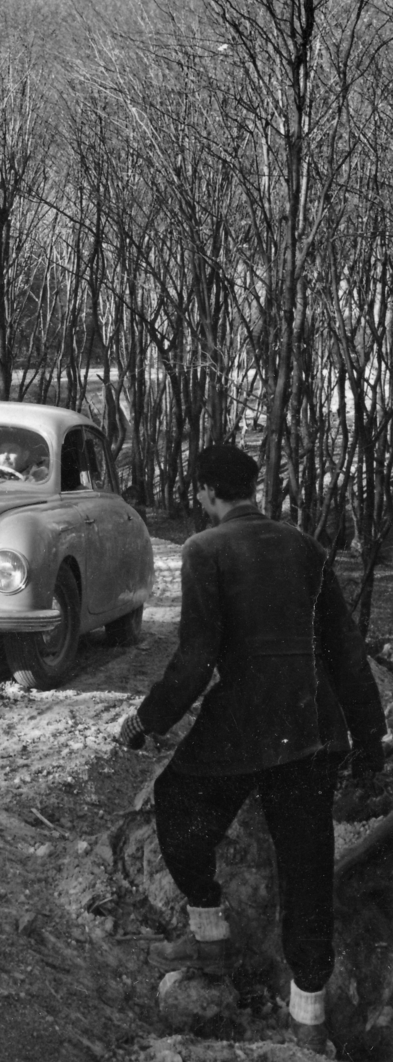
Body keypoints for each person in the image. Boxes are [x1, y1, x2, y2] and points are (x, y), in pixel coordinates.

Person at [117, 443, 386, 1055]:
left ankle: (211, 934)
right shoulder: (306, 548)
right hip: (313, 730)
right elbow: (347, 655)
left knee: (177, 799)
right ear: (253, 488)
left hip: (242, 726)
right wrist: (369, 743)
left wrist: (146, 720)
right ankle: (308, 1024)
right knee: (307, 874)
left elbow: (195, 657)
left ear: (207, 492)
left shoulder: (204, 550)